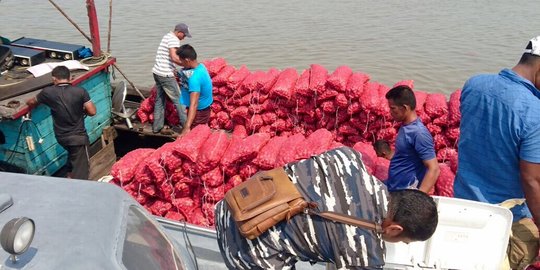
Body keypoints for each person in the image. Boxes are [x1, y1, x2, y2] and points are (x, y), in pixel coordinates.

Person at [215, 147, 438, 269]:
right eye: (404, 241)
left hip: (233, 205)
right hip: (246, 246)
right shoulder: (365, 251)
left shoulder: (348, 157)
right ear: (395, 229)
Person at [454, 36, 540, 269]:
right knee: (527, 243)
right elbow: (531, 179)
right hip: (503, 217)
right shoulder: (534, 112)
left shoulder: (474, 84)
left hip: (462, 201)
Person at [26, 66, 96, 179]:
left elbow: (31, 102)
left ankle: (69, 177)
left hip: (61, 138)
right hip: (78, 139)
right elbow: (92, 111)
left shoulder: (47, 92)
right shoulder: (80, 91)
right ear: (70, 78)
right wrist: (81, 109)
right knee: (82, 171)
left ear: (54, 79)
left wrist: (28, 102)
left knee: (72, 157)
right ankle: (78, 192)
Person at [384, 85, 440, 193]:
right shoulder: (405, 126)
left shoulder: (418, 133)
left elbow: (434, 169)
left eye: (392, 108)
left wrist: (417, 198)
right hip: (395, 187)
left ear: (405, 108)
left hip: (406, 192)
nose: (390, 112)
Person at [152, 23, 191, 134]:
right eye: (184, 35)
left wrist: (173, 68)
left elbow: (167, 58)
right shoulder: (174, 40)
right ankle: (186, 128)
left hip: (157, 72)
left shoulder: (167, 36)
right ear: (179, 32)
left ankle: (157, 127)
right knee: (180, 101)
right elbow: (174, 57)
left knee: (160, 100)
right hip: (165, 75)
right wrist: (188, 65)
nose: (184, 38)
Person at [176, 44, 213, 136]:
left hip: (198, 113)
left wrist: (187, 127)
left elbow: (194, 104)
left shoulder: (194, 78)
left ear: (187, 60)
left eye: (181, 60)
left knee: (194, 138)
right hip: (205, 109)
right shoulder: (201, 67)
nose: (180, 62)